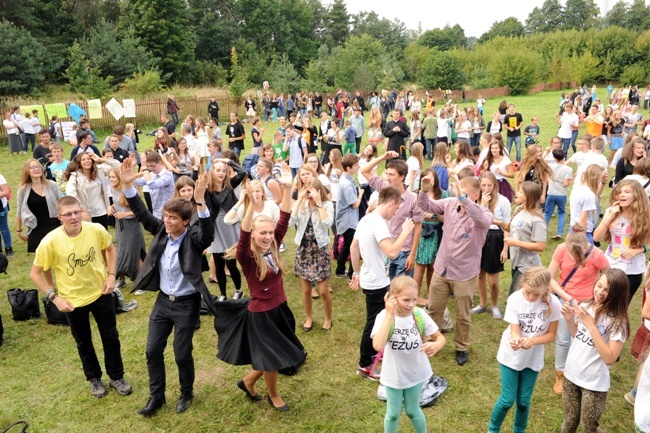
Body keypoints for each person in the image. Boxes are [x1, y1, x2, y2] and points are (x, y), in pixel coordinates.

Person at [119, 158, 214, 415]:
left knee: (181, 353)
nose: (167, 221)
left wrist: (202, 201)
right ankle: (156, 397)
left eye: (173, 218)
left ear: (185, 221)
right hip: (163, 302)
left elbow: (208, 235)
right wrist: (129, 187)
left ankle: (186, 393)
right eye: (166, 217)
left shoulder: (193, 237)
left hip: (187, 304)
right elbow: (142, 214)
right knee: (152, 350)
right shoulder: (161, 230)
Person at [216, 169, 306, 412]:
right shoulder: (246, 256)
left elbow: (285, 216)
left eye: (269, 232)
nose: (267, 237)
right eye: (262, 233)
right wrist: (247, 206)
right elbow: (243, 235)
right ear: (254, 235)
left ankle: (247, 382)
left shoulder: (274, 243)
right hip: (262, 314)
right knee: (272, 358)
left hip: (280, 308)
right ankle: (273, 395)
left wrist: (287, 189)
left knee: (273, 354)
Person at [30, 196, 132, 399]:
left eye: (77, 212)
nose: (74, 217)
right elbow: (35, 273)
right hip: (72, 301)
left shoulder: (95, 230)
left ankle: (116, 376)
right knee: (83, 341)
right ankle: (94, 379)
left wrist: (111, 276)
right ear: (60, 217)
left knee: (110, 337)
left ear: (82, 211)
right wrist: (54, 298)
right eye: (68, 214)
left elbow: (110, 250)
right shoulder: (50, 241)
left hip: (100, 293)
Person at [417, 175, 493, 365]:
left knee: (462, 314)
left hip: (465, 274)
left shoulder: (484, 214)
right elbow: (426, 207)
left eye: (466, 194)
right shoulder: (450, 203)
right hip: (442, 269)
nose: (460, 198)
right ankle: (431, 341)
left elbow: (480, 219)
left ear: (476, 195)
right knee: (433, 308)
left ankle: (461, 347)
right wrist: (424, 191)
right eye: (459, 193)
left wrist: (462, 197)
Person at [349, 186, 415, 380]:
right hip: (377, 282)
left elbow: (354, 247)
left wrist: (356, 272)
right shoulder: (378, 223)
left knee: (377, 320)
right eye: (396, 209)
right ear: (392, 203)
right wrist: (405, 231)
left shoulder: (366, 219)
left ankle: (373, 356)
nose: (395, 213)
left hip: (371, 278)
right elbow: (393, 252)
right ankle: (365, 364)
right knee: (373, 323)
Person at [488, 267, 561, 433]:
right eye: (528, 292)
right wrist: (516, 340)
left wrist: (532, 341)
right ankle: (493, 430)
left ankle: (519, 430)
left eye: (536, 294)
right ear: (523, 284)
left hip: (532, 359)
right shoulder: (515, 299)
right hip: (510, 356)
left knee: (523, 401)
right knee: (507, 400)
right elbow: (515, 332)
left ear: (546, 289)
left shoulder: (553, 303)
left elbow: (551, 335)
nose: (530, 297)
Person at [371, 276, 446, 433]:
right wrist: (389, 316)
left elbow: (440, 337)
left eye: (414, 299)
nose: (411, 304)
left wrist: (437, 344)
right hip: (394, 374)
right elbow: (378, 345)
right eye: (406, 300)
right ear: (392, 298)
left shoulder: (419, 315)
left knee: (413, 410)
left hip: (416, 372)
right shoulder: (383, 317)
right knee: (392, 414)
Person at [560, 269, 630, 433]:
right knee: (569, 422)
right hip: (571, 374)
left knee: (589, 427)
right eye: (599, 286)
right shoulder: (585, 306)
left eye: (607, 290)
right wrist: (570, 320)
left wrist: (592, 326)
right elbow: (578, 336)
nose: (600, 292)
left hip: (594, 383)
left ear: (617, 294)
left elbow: (610, 358)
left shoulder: (619, 322)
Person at [547, 226, 610, 395]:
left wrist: (600, 297)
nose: (575, 258)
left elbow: (610, 277)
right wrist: (569, 299)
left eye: (579, 255)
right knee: (563, 339)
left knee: (583, 339)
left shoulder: (597, 255)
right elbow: (549, 278)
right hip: (565, 300)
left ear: (586, 246)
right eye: (572, 255)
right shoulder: (561, 249)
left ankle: (579, 372)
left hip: (588, 304)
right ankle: (560, 374)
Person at [361, 151, 424, 279]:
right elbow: (364, 170)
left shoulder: (413, 199)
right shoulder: (384, 188)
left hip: (404, 251)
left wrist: (412, 254)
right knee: (387, 285)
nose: (388, 177)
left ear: (402, 177)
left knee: (401, 288)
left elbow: (418, 227)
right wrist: (383, 156)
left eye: (391, 174)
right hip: (386, 248)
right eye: (387, 173)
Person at [593, 179, 650, 305]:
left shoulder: (645, 215)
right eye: (620, 192)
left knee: (621, 306)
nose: (621, 194)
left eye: (626, 192)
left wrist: (638, 250)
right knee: (603, 302)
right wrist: (608, 218)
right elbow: (596, 238)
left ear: (636, 195)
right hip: (610, 265)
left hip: (633, 270)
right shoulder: (611, 212)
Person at [290, 178, 334, 332]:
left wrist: (319, 204)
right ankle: (309, 317)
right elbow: (290, 222)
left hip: (320, 251)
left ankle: (328, 318)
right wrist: (298, 201)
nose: (308, 195)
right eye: (306, 191)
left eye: (311, 192)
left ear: (319, 191)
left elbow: (328, 223)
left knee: (322, 290)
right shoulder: (302, 205)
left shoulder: (327, 205)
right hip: (304, 251)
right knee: (306, 290)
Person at [205, 157, 247, 302]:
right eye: (218, 170)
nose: (221, 173)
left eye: (224, 171)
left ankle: (238, 290)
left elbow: (242, 172)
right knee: (218, 262)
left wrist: (228, 161)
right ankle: (222, 293)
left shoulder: (230, 185)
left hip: (229, 225)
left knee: (230, 262)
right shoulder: (208, 189)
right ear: (212, 171)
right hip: (215, 227)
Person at [471, 172, 510, 319]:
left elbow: (507, 226)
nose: (486, 188)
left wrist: (505, 249)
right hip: (479, 235)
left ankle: (494, 305)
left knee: (493, 279)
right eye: (483, 185)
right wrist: (482, 205)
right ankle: (482, 304)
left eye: (489, 185)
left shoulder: (503, 201)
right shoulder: (475, 199)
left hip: (495, 238)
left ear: (495, 185)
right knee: (480, 274)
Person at [505, 181, 547, 295]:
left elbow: (541, 246)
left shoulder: (537, 220)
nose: (516, 193)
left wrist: (516, 243)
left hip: (527, 266)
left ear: (527, 196)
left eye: (520, 191)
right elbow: (510, 228)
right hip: (516, 262)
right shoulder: (519, 210)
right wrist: (493, 221)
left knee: (513, 297)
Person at [107, 168, 146, 290]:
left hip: (131, 226)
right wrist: (111, 207)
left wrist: (125, 214)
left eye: (113, 177)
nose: (111, 179)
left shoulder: (130, 191)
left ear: (120, 177)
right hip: (120, 226)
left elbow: (141, 211)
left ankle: (142, 282)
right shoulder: (114, 189)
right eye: (110, 177)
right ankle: (122, 279)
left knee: (134, 253)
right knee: (121, 252)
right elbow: (118, 203)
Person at [413, 169, 447, 306]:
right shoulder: (417, 194)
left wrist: (434, 212)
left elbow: (446, 218)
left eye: (431, 178)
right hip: (421, 231)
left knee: (433, 266)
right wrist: (422, 215)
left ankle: (430, 294)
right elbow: (413, 214)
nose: (429, 180)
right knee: (420, 265)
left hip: (437, 231)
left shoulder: (443, 194)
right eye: (426, 178)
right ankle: (415, 295)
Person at [16, 159, 62, 253]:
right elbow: (19, 210)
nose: (36, 169)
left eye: (37, 167)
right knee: (42, 261)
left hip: (54, 225)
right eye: (32, 167)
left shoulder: (52, 185)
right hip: (35, 227)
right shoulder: (23, 189)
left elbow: (62, 204)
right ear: (27, 171)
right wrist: (19, 230)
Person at [64, 153, 120, 229]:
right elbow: (71, 195)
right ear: (79, 163)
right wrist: (81, 210)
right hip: (86, 214)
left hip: (101, 212)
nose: (87, 161)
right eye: (83, 159)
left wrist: (100, 159)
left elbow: (118, 165)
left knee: (102, 237)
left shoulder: (99, 170)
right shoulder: (75, 176)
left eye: (88, 159)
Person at [335, 154, 363, 279]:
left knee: (347, 245)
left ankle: (340, 270)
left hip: (346, 221)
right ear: (348, 168)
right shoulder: (346, 184)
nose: (358, 167)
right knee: (354, 247)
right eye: (356, 166)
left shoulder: (347, 179)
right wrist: (360, 194)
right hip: (348, 221)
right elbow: (355, 204)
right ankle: (352, 274)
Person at [544, 149, 574, 240]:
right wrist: (570, 181)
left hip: (551, 193)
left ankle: (542, 230)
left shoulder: (550, 167)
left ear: (554, 158)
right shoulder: (568, 169)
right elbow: (565, 183)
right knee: (561, 212)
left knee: (547, 213)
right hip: (561, 194)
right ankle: (559, 233)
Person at [0, 171, 12, 256]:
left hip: (1, 207)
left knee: (3, 228)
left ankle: (8, 248)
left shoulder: (0, 177)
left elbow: (6, 191)